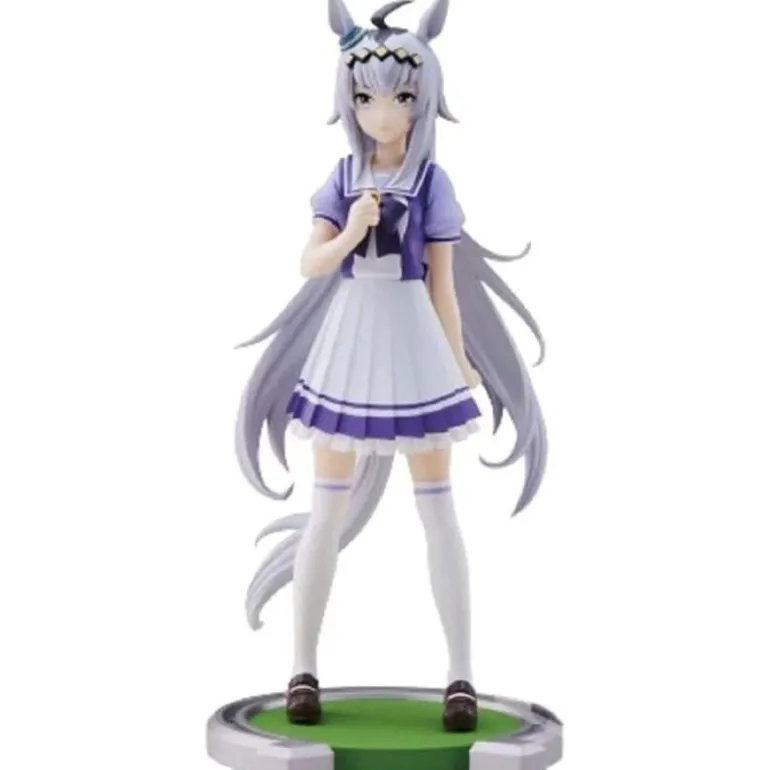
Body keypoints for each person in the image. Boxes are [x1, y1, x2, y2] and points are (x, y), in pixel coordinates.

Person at [235, 0, 547, 732]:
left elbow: (443, 283)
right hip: (350, 340)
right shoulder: (342, 177)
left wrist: (459, 360)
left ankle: (461, 676)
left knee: (438, 508)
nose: (384, 112)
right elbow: (310, 262)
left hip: (413, 341)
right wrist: (350, 231)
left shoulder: (433, 182)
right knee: (328, 510)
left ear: (423, 100)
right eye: (367, 97)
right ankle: (302, 670)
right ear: (349, 101)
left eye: (402, 96)